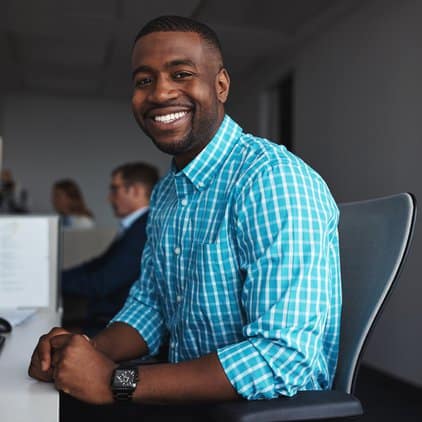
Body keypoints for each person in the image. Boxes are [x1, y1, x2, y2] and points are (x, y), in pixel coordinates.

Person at [28, 16, 341, 409]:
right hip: (183, 395)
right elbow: (151, 307)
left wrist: (115, 380)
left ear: (221, 85)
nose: (160, 93)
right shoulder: (166, 194)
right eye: (144, 80)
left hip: (257, 409)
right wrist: (81, 351)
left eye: (181, 73)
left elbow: (284, 360)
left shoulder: (271, 181)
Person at [61, 162, 159, 336]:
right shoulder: (135, 227)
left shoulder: (144, 230)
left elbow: (102, 283)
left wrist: (53, 281)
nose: (109, 198)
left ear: (135, 191)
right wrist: (54, 278)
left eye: (115, 189)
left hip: (114, 326)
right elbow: (97, 265)